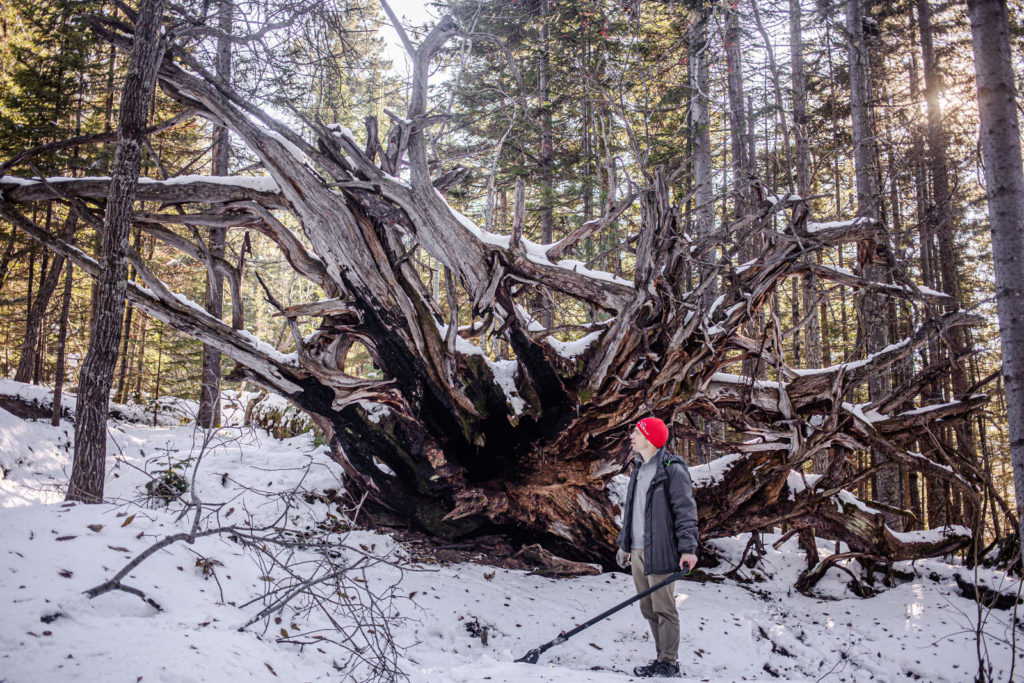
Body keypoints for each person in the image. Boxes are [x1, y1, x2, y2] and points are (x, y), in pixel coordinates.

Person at [615, 417, 699, 678]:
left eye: (637, 432)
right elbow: (632, 511)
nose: (632, 436)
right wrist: (625, 544)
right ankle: (661, 658)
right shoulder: (638, 467)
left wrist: (688, 549)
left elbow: (685, 511)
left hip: (661, 550)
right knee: (648, 608)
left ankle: (668, 662)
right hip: (637, 550)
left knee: (664, 608)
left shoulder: (672, 469)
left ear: (649, 438)